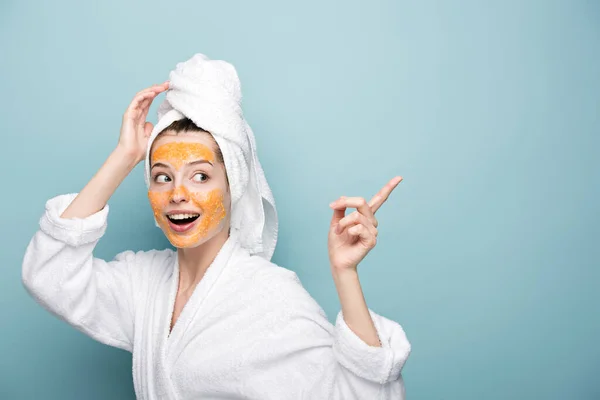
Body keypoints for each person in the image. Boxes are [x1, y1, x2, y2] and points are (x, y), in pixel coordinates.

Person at [22, 53, 411, 399]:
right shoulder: (142, 283)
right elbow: (50, 275)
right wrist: (124, 157)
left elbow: (358, 395)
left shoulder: (269, 297)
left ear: (233, 187)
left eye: (201, 176)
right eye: (161, 177)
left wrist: (345, 274)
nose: (177, 193)